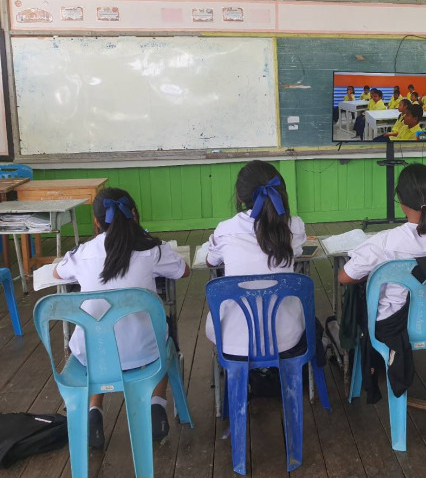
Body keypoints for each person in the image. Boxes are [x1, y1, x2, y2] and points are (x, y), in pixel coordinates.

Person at [54, 187, 189, 449]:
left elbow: (58, 273)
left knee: (97, 333)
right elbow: (183, 271)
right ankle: (156, 404)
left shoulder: (83, 253)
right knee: (165, 331)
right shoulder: (153, 250)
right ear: (134, 214)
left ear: (96, 222)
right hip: (145, 352)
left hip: (92, 354)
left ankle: (94, 410)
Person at [337, 164, 426, 402]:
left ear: (400, 200)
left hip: (392, 326)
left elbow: (345, 277)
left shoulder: (385, 242)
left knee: (357, 299)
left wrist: (373, 274)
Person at [204, 161, 310, 363]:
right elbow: (296, 251)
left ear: (239, 196)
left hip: (233, 342)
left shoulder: (225, 230)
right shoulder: (294, 226)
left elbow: (211, 261)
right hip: (286, 339)